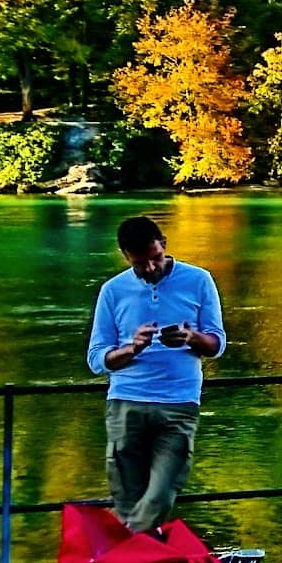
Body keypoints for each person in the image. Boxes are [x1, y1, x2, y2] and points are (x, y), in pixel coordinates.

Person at [87, 216, 227, 535]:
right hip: (126, 404)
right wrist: (132, 348)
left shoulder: (199, 280)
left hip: (178, 403)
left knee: (161, 494)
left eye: (156, 259)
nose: (150, 269)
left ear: (163, 243)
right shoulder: (113, 291)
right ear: (125, 256)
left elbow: (217, 343)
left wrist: (193, 338)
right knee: (127, 499)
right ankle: (138, 562)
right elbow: (97, 360)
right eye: (140, 264)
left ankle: (116, 559)